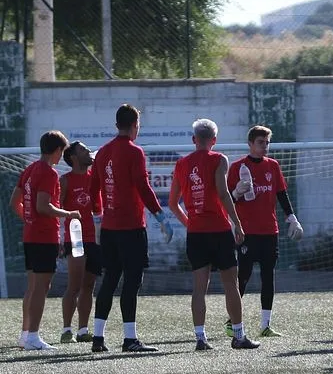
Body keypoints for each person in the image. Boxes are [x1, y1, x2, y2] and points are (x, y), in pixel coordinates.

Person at [88, 104, 174, 353]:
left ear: (117, 125)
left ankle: (98, 338)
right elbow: (143, 187)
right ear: (136, 125)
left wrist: (97, 217)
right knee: (132, 281)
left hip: (110, 228)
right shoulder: (135, 152)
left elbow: (94, 189)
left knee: (109, 280)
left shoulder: (103, 152)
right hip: (132, 227)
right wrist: (160, 216)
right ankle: (129, 339)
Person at [169, 119, 259, 351]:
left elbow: (172, 203)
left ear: (193, 140)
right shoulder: (219, 159)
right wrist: (237, 223)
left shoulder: (181, 163)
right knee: (231, 283)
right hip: (219, 230)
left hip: (196, 233)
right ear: (214, 141)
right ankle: (238, 336)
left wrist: (189, 223)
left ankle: (200, 338)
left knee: (200, 286)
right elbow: (222, 193)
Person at [226, 125, 304, 338]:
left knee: (268, 276)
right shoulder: (237, 167)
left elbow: (281, 195)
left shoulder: (273, 166)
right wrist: (235, 193)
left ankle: (265, 325)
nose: (264, 147)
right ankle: (231, 322)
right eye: (260, 143)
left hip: (270, 230)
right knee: (243, 275)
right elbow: (227, 201)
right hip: (247, 232)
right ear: (250, 144)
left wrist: (292, 219)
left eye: (267, 143)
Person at [10, 130, 80, 350]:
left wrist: (28, 219)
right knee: (42, 287)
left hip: (30, 236)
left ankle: (25, 334)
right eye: (62, 152)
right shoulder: (48, 173)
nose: (62, 157)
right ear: (57, 150)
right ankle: (32, 336)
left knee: (32, 287)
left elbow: (15, 202)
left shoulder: (29, 169)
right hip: (43, 237)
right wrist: (68, 214)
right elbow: (43, 206)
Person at [60, 141, 102, 344]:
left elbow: (98, 209)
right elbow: (56, 211)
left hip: (93, 237)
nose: (88, 152)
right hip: (75, 236)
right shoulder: (65, 181)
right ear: (74, 158)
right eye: (83, 150)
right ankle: (66, 330)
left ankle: (83, 330)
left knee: (89, 285)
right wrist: (60, 238)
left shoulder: (95, 178)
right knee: (74, 285)